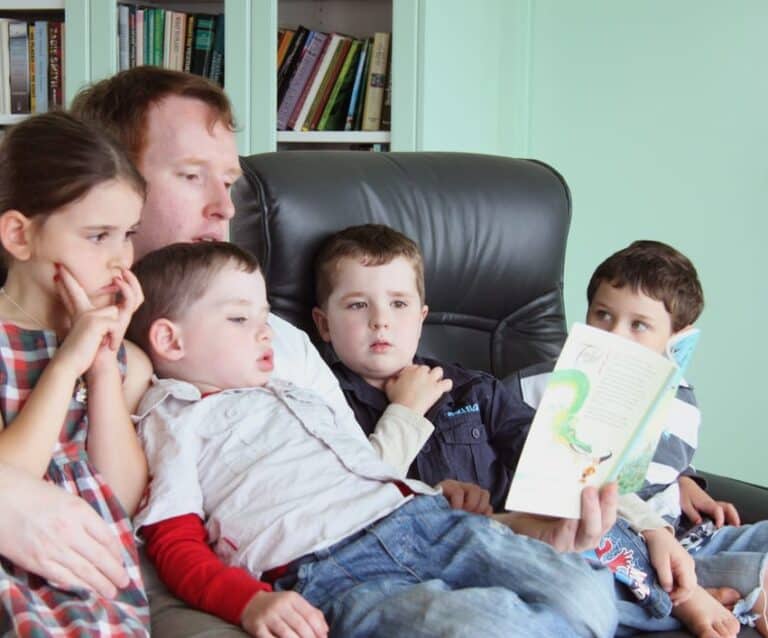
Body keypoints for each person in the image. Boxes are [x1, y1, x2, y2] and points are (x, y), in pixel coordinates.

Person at [64, 66, 619, 635]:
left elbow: (354, 472)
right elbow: (157, 527)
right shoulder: (95, 360)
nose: (224, 208)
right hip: (316, 570)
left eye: (227, 182)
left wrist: (511, 526)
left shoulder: (279, 340)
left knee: (587, 587)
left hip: (415, 521)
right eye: (190, 176)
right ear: (114, 186)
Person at [126, 240, 619, 638]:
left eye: (264, 317)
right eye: (240, 319)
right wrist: (249, 601)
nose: (266, 334)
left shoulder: (295, 387)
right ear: (171, 340)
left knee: (587, 594)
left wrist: (432, 494)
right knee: (496, 626)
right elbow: (173, 542)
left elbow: (362, 466)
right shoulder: (172, 420)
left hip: (426, 522)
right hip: (337, 570)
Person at [0, 112, 152, 635]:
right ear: (20, 235)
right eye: (97, 236)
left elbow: (121, 495)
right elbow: (8, 483)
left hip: (92, 581)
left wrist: (103, 364)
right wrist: (66, 365)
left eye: (127, 234)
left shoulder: (126, 362)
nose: (120, 260)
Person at [582, 240, 768, 636]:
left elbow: (670, 459)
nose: (615, 334)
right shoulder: (550, 386)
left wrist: (685, 479)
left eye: (638, 325)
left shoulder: (680, 398)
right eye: (603, 315)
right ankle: (704, 591)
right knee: (594, 574)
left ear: (677, 341)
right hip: (613, 545)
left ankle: (714, 580)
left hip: (683, 538)